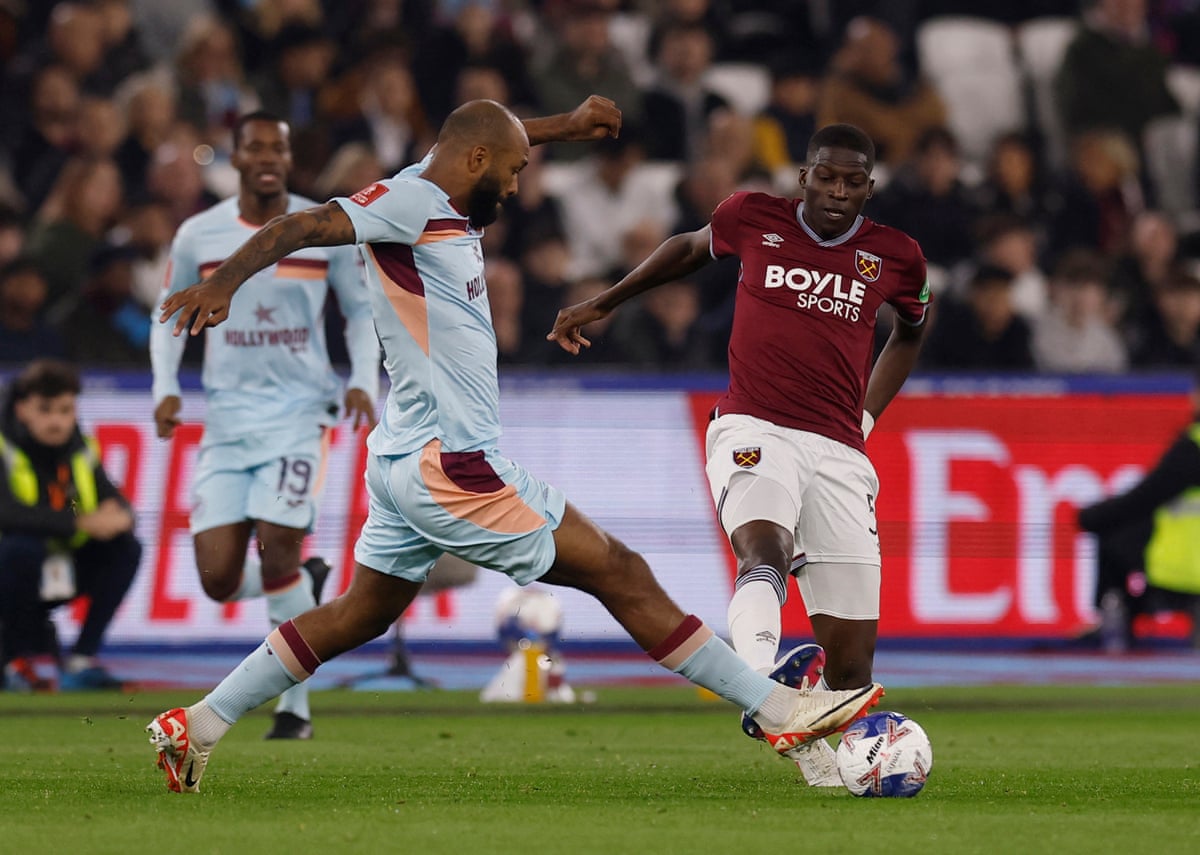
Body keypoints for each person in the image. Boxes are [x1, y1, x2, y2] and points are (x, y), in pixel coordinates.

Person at [145, 96, 884, 794]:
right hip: (450, 464)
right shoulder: (407, 202)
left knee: (359, 613)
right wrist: (227, 282)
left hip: (406, 456)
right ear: (476, 161)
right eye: (513, 170)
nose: (516, 182)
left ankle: (197, 724)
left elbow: (487, 134)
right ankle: (777, 708)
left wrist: (566, 124)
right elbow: (302, 226)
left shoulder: (441, 178)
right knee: (620, 571)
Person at [548, 123, 929, 787]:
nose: (838, 191)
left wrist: (864, 418)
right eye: (826, 177)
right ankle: (760, 684)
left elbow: (912, 331)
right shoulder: (752, 216)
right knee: (764, 549)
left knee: (851, 669)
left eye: (853, 181)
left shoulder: (897, 256)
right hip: (755, 426)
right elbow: (687, 249)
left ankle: (820, 767)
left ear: (869, 187)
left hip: (839, 451)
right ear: (803, 176)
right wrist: (605, 301)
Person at [148, 110, 381, 741]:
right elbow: (166, 314)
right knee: (218, 579)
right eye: (255, 148)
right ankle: (304, 583)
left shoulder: (318, 226)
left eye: (278, 148)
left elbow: (360, 310)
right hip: (227, 420)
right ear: (236, 158)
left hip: (300, 413)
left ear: (288, 157)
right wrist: (166, 387)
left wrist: (362, 377)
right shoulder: (199, 234)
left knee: (278, 544)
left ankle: (294, 711)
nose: (268, 158)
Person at [0, 359, 140, 691]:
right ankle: (13, 661)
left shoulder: (81, 449)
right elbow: (7, 513)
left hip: (52, 570)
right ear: (22, 410)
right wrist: (79, 522)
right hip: (11, 572)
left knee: (125, 548)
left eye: (65, 410)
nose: (56, 421)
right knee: (21, 549)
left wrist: (122, 516)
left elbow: (116, 503)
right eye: (45, 410)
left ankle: (81, 661)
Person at [1077, 372, 1200, 652]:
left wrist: (1089, 518)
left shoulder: (1193, 448)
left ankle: (1113, 619)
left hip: (1186, 568)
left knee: (1113, 536)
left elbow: (1141, 499)